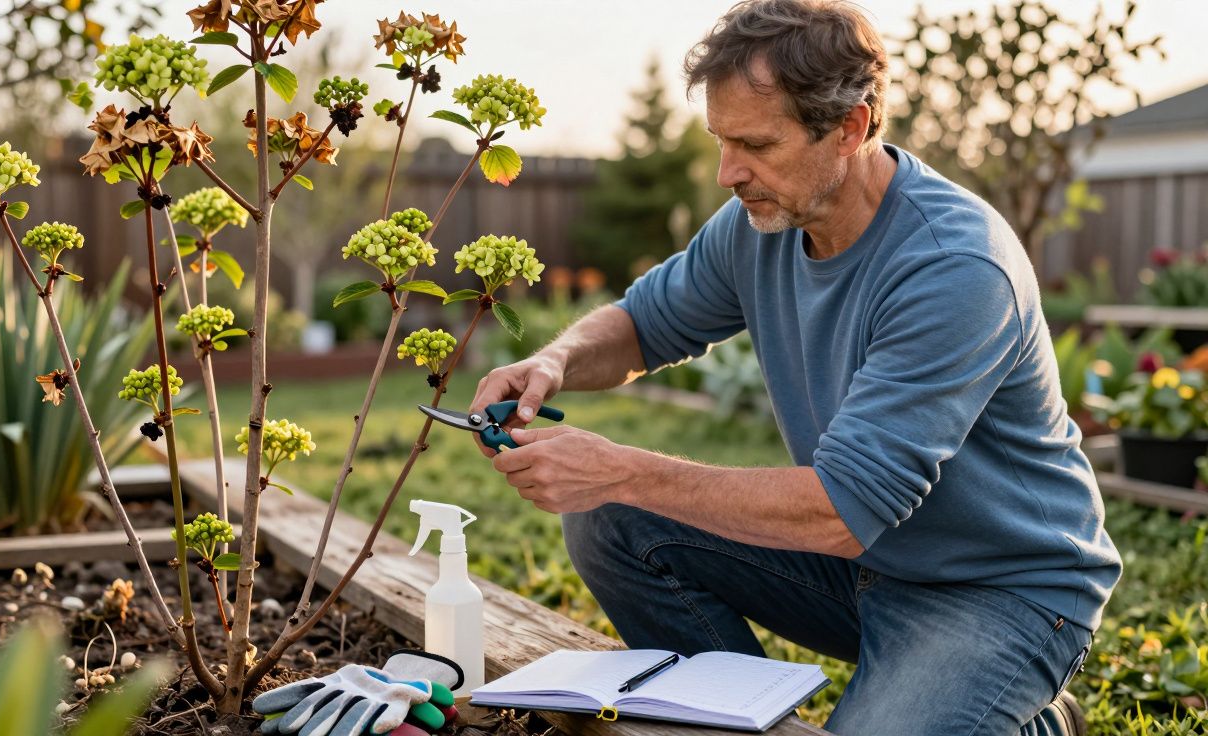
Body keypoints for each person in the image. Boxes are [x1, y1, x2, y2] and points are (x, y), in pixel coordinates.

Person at [468, 1, 1120, 734]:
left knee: (617, 487)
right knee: (608, 515)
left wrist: (620, 467)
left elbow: (844, 509)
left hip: (997, 590)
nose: (725, 172)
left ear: (852, 127)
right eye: (719, 140)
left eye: (755, 143)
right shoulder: (763, 222)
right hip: (862, 568)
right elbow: (643, 326)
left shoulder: (954, 267)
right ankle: (726, 715)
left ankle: (1029, 719)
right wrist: (553, 361)